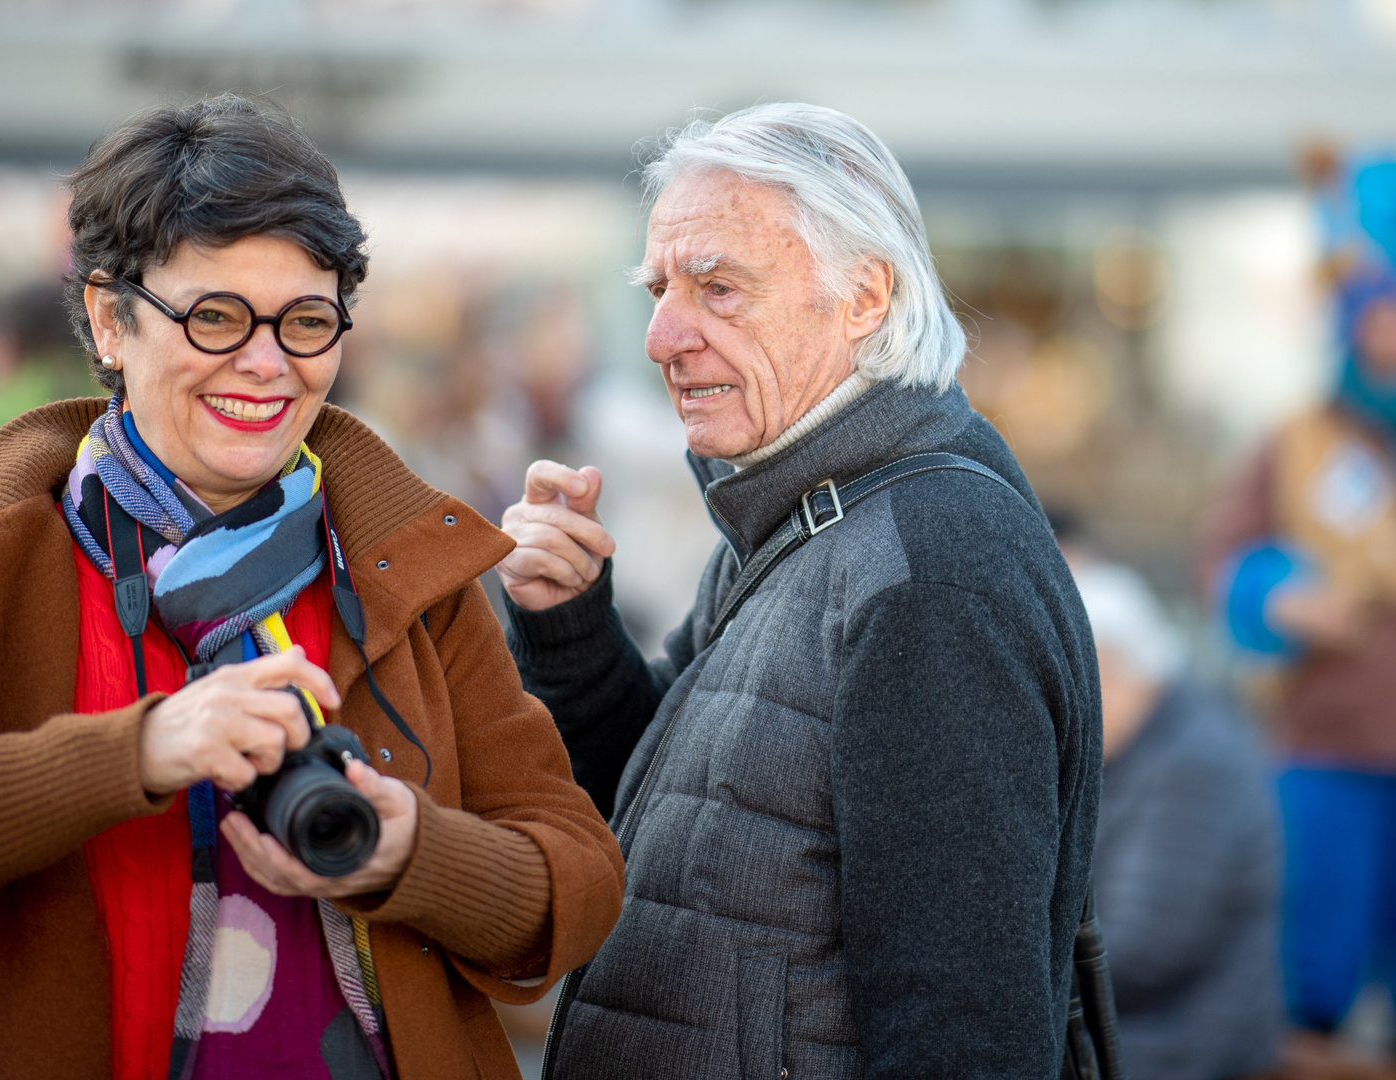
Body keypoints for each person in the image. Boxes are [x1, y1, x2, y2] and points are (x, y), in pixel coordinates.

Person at [0, 95, 623, 1080]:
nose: (266, 364)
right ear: (109, 319)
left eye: (307, 321)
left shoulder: (409, 570)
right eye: (215, 316)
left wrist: (411, 858)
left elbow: (580, 886)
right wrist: (137, 750)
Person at [497, 102, 1101, 1079]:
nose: (661, 336)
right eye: (658, 289)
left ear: (864, 298)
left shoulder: (927, 570)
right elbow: (674, 833)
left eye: (718, 288)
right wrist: (570, 629)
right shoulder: (809, 513)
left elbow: (961, 1031)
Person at [1200, 259, 1396, 1041]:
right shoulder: (1295, 442)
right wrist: (1280, 597)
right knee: (1312, 971)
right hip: (1327, 748)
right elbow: (1224, 560)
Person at [1069, 557, 1282, 1080]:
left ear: (1120, 670)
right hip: (1142, 1032)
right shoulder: (1138, 744)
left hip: (1178, 1043)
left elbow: (1144, 949)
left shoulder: (1194, 763)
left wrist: (1002, 974)